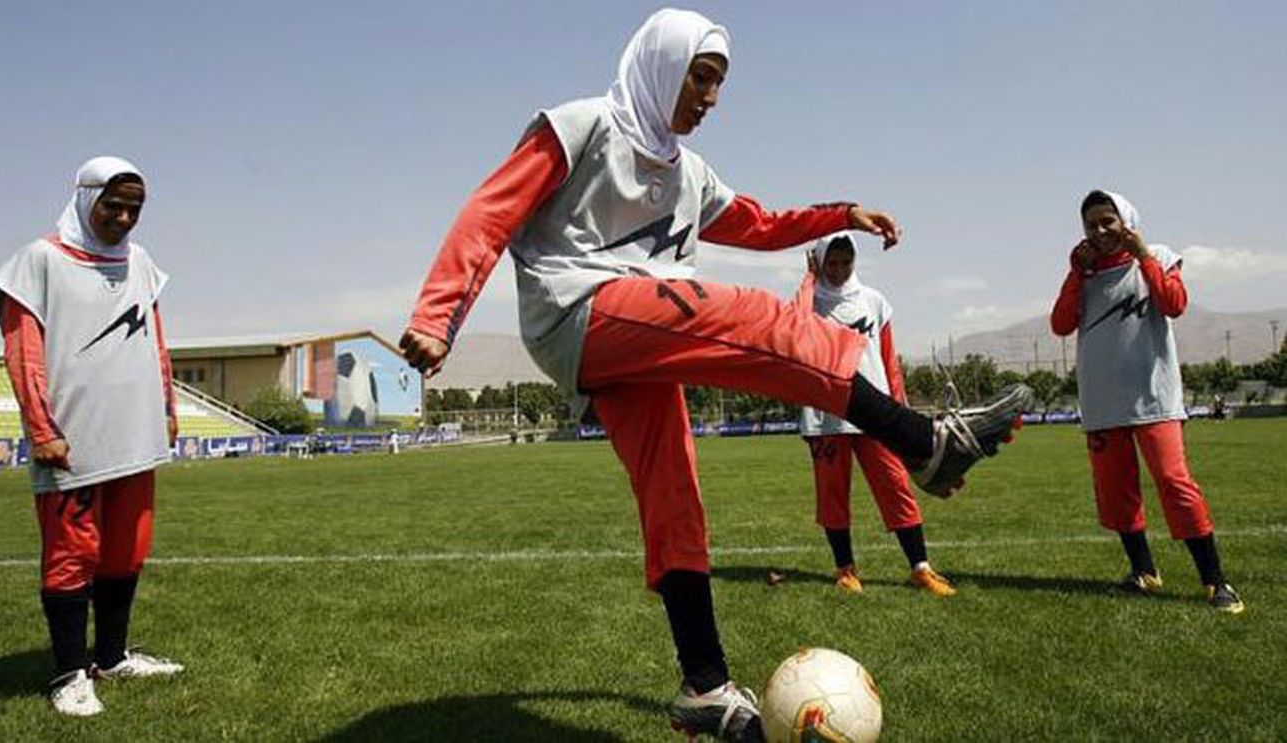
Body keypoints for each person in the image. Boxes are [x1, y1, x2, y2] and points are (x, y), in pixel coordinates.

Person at [398, 10, 1031, 739]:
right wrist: (438, 314)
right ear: (663, 67)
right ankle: (922, 438)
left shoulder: (688, 172)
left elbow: (759, 224)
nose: (711, 97)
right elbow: (490, 211)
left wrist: (842, 214)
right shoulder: (579, 126)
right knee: (752, 317)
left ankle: (704, 684)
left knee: (676, 493)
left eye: (719, 84)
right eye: (701, 78)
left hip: (638, 337)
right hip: (580, 310)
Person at [0, 156, 184, 717]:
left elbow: (156, 339)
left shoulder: (140, 262)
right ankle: (69, 674)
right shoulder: (38, 261)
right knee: (73, 554)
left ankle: (113, 656)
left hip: (135, 433)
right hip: (72, 440)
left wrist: (167, 406)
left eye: (134, 209)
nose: (123, 218)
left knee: (126, 549)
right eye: (113, 205)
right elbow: (23, 352)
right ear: (84, 198)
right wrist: (41, 429)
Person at [1050, 189, 1243, 614]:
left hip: (1153, 397)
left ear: (1128, 220)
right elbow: (1061, 324)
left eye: (1108, 221)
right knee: (1117, 492)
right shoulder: (1085, 273)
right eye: (1091, 225)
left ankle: (1216, 581)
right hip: (1103, 404)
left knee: (1175, 484)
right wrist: (1074, 274)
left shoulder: (1157, 255)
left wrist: (1144, 257)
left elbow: (1174, 304)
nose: (1099, 231)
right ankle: (1144, 571)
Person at [795, 234, 955, 597]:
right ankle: (845, 570)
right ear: (818, 262)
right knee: (833, 494)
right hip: (825, 415)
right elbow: (794, 327)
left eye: (844, 263)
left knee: (895, 486)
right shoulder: (810, 303)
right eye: (830, 264)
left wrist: (901, 413)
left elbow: (888, 360)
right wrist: (809, 279)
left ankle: (920, 568)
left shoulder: (875, 301)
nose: (837, 270)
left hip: (877, 415)